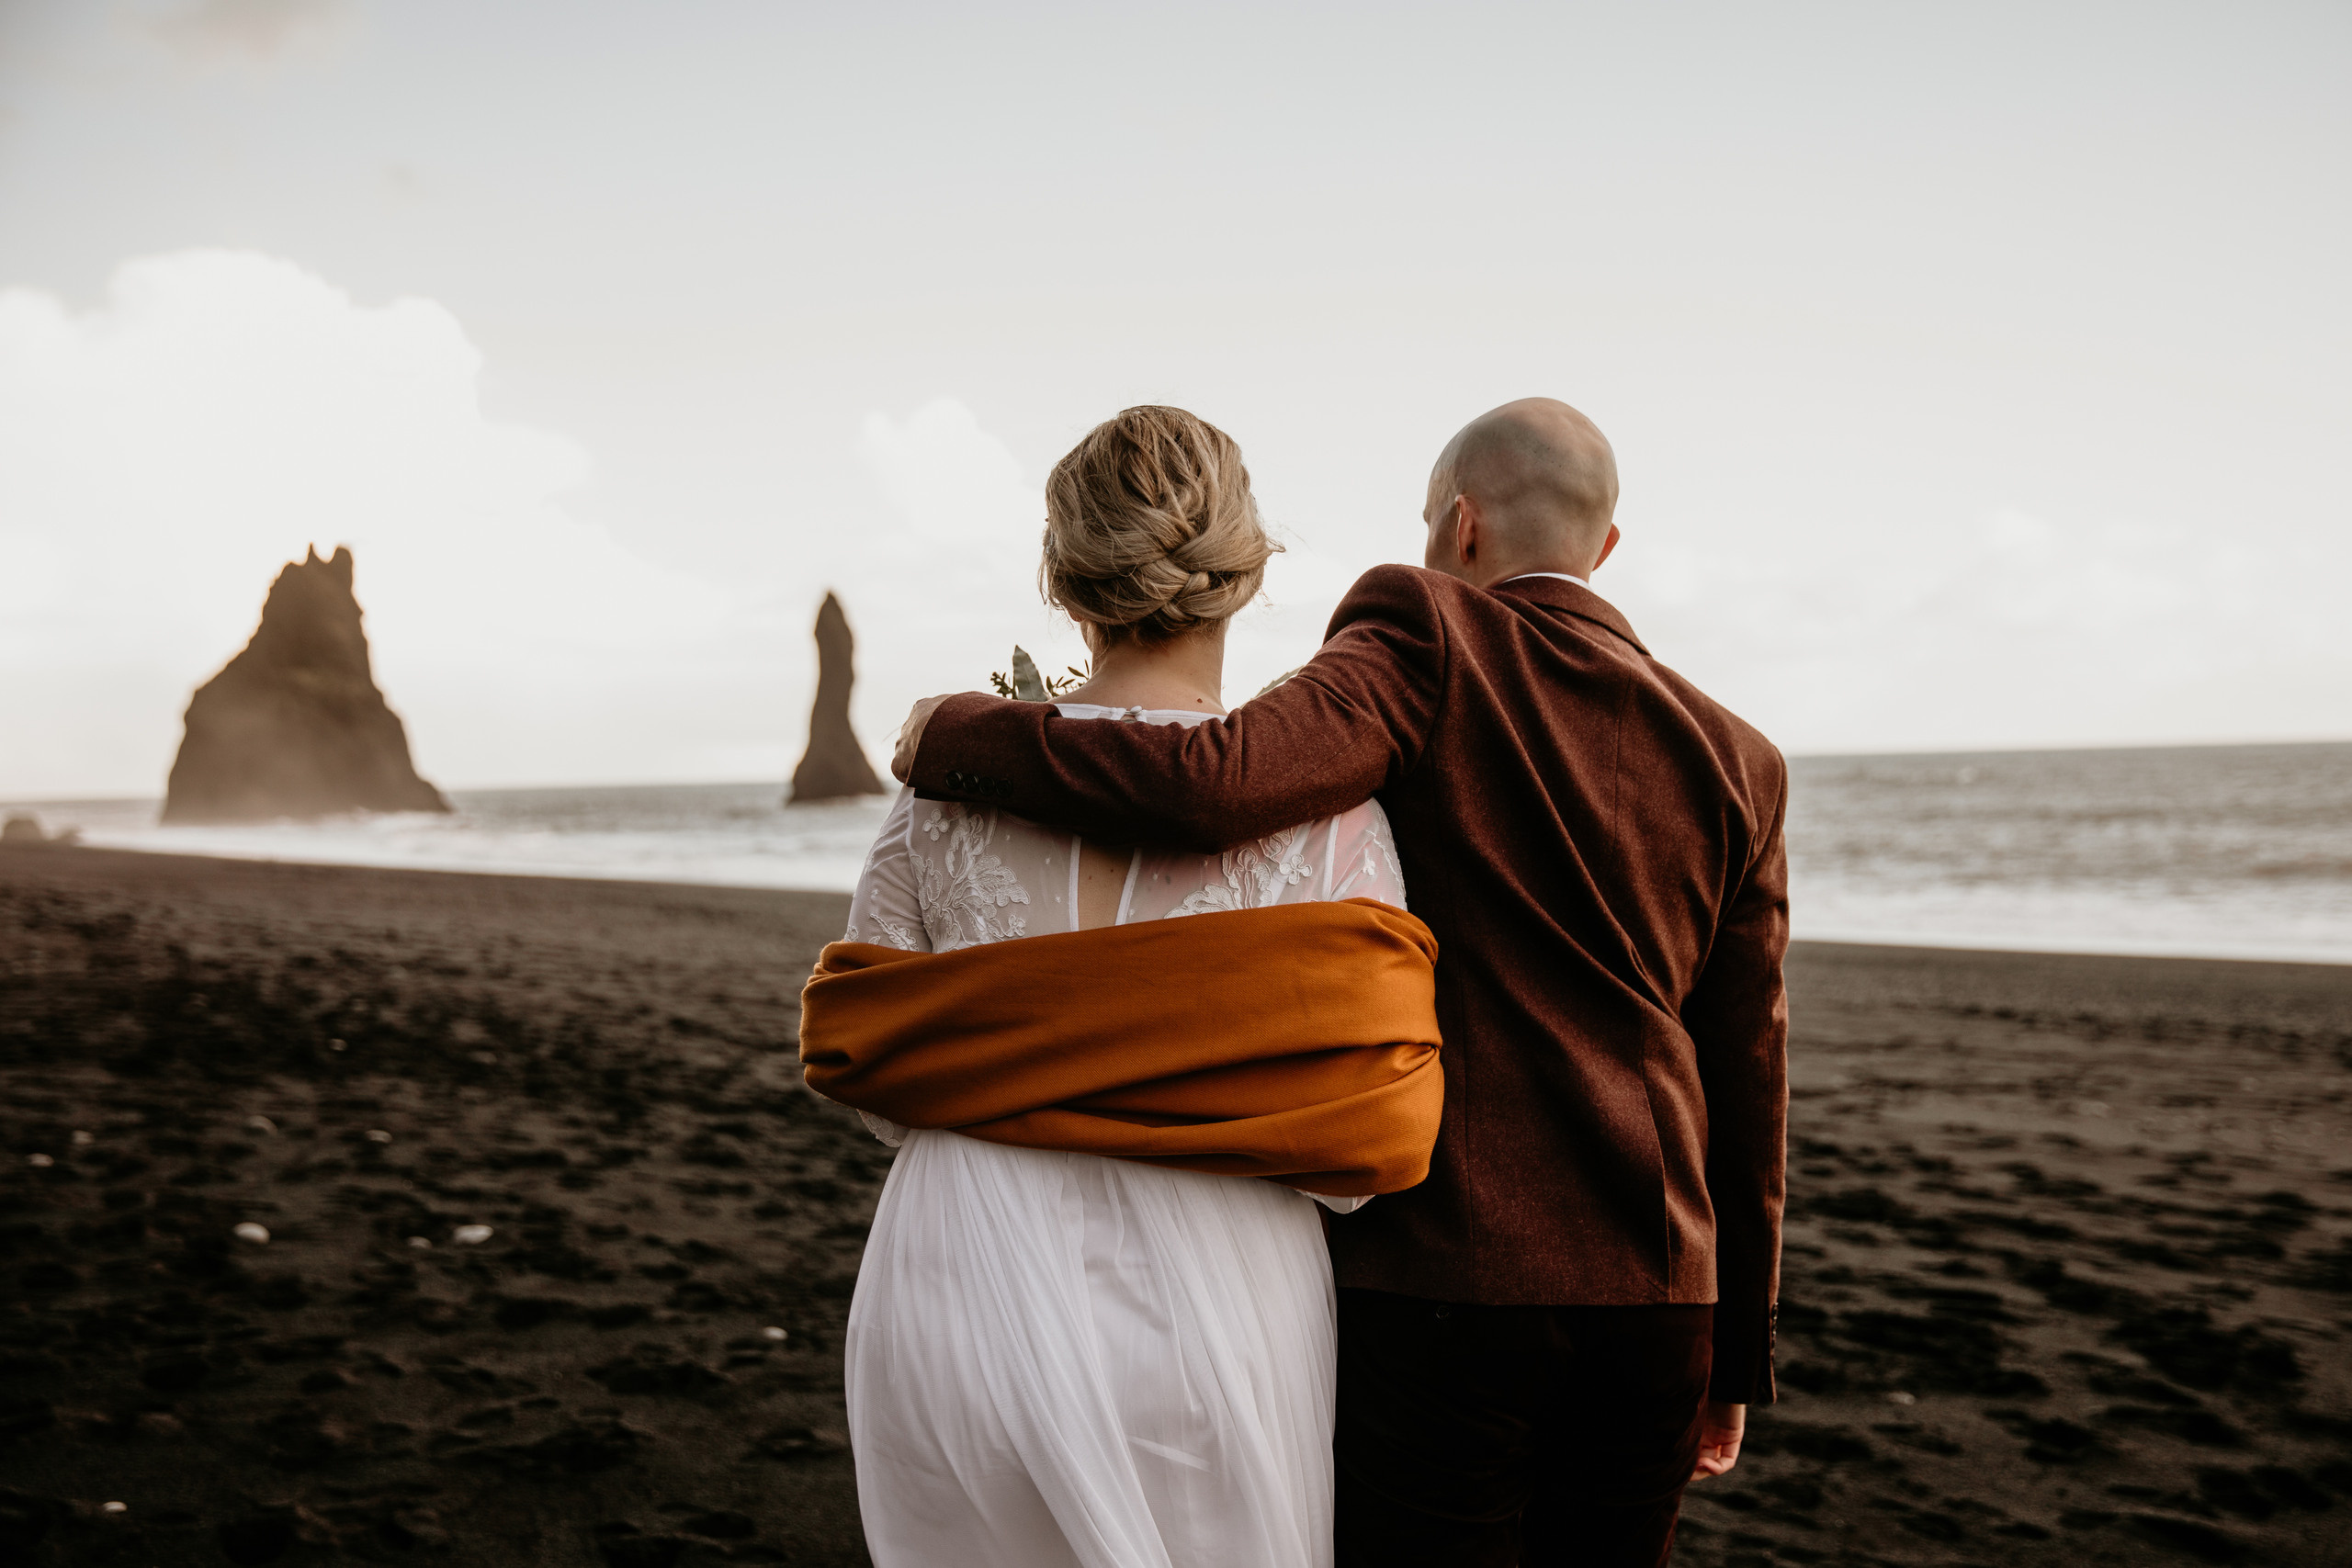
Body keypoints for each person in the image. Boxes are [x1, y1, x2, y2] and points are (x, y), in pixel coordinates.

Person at [893, 397, 1790, 1567]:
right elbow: (1748, 1070)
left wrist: (964, 735)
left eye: (1428, 521)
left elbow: (1221, 780)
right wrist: (1736, 1354)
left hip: (1446, 1288)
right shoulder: (1742, 757)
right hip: (1661, 1295)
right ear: (1603, 548)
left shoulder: (1425, 625)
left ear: (1459, 527)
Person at [837, 404, 1414, 1568]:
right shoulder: (1332, 819)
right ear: (1247, 573)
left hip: (959, 1276)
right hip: (1217, 1297)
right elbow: (1369, 1138)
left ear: (1063, 578)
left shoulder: (940, 792)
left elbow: (874, 1082)